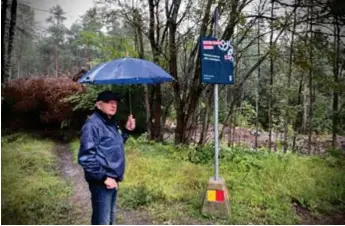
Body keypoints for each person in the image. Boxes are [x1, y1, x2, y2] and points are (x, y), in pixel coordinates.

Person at [78, 90, 136, 225]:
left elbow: (113, 147)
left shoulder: (109, 123)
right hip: (102, 182)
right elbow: (86, 157)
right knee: (102, 221)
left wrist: (126, 130)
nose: (113, 105)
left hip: (112, 180)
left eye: (115, 103)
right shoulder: (92, 125)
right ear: (98, 104)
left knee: (109, 219)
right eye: (109, 102)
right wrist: (104, 178)